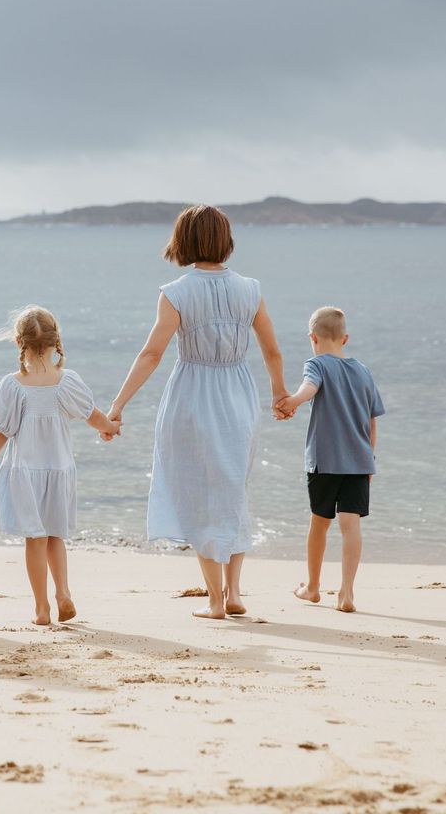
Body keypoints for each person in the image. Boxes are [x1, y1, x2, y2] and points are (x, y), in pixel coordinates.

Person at [106, 205, 290, 620]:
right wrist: (280, 394)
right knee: (233, 490)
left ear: (183, 240)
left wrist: (118, 406)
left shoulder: (176, 291)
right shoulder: (250, 289)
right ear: (226, 240)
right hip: (239, 395)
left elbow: (152, 353)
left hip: (192, 395)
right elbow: (272, 350)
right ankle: (236, 591)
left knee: (200, 493)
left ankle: (215, 600)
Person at [0, 306, 120, 625]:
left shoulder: (13, 385)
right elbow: (93, 415)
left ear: (19, 342)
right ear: (55, 341)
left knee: (34, 539)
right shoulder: (67, 382)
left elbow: (1, 431)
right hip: (59, 470)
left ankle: (41, 608)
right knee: (55, 536)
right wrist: (111, 428)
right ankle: (63, 593)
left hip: (25, 473)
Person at [275, 306, 385, 613]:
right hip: (360, 461)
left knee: (320, 523)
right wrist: (370, 459)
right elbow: (373, 420)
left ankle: (312, 588)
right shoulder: (363, 371)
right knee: (351, 526)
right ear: (345, 338)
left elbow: (309, 389)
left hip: (324, 461)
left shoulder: (317, 364)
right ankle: (346, 593)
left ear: (313, 338)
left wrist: (290, 403)